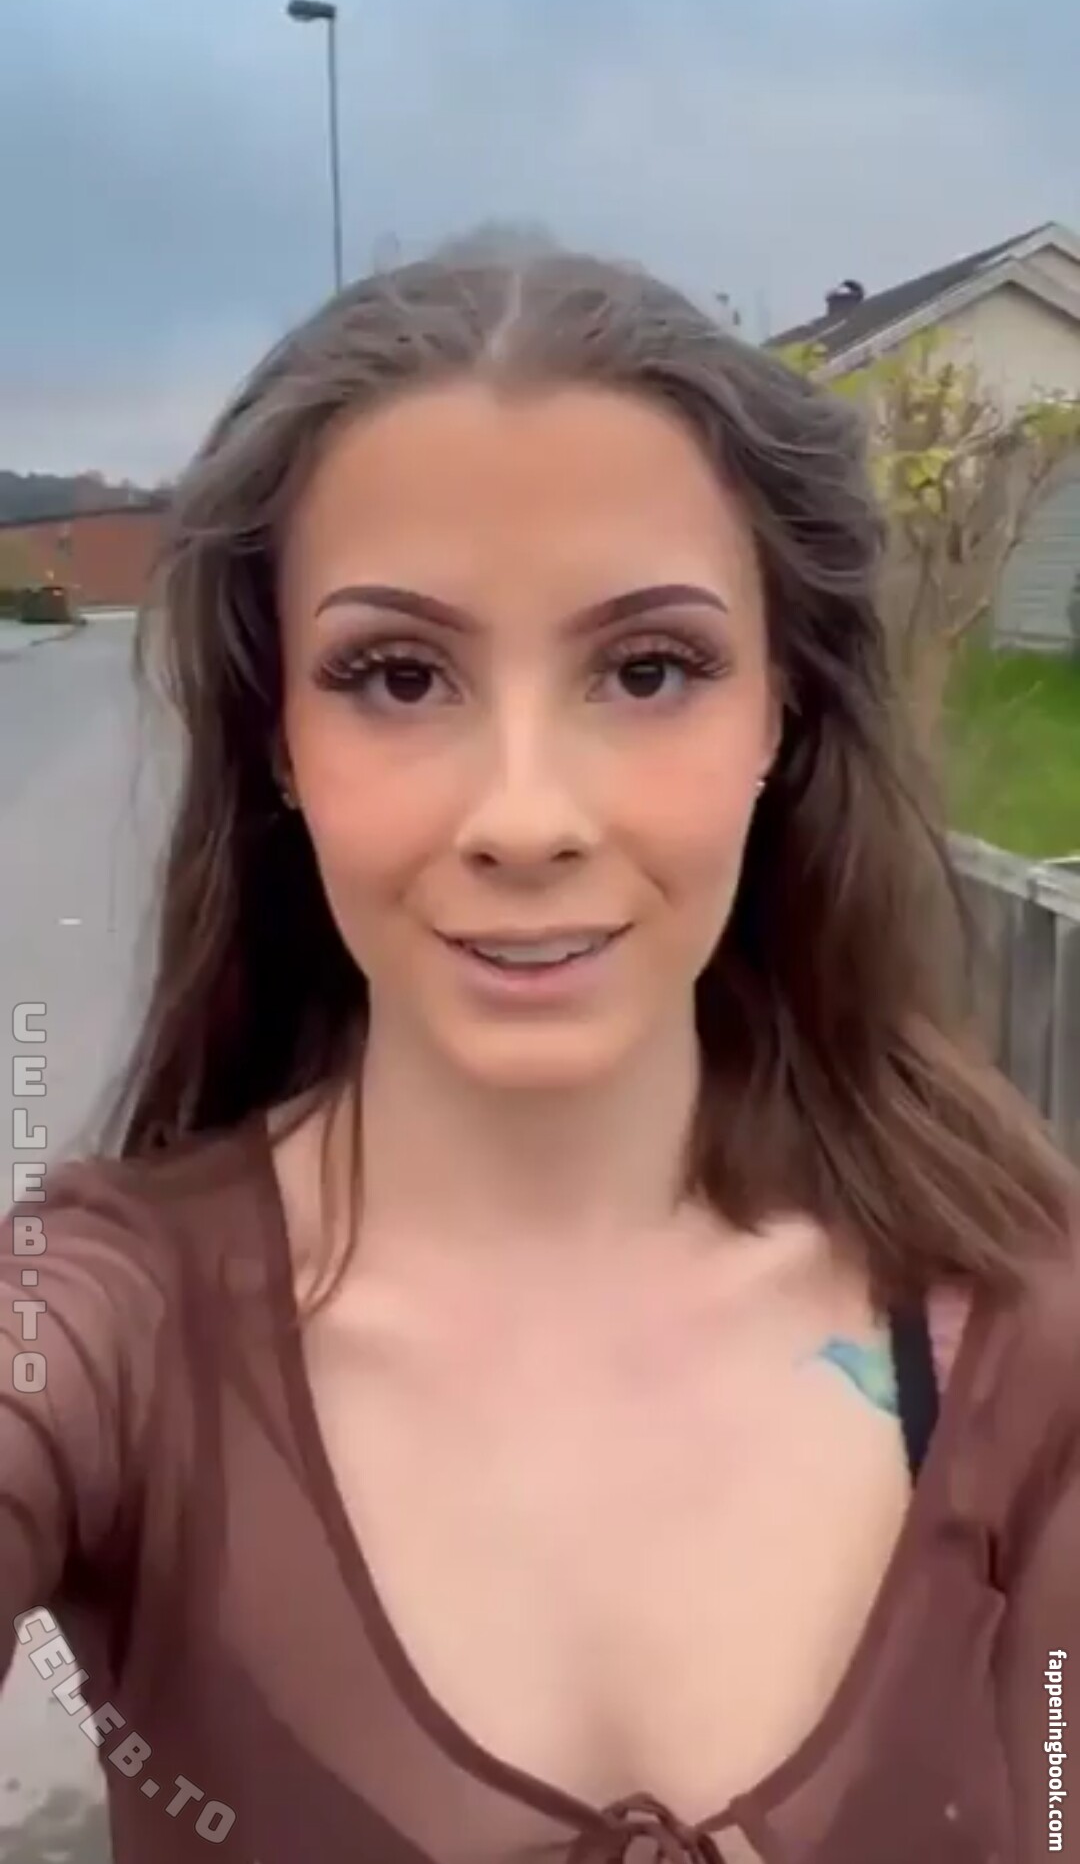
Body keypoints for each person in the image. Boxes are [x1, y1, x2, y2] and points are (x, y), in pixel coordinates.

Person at [1, 249, 1077, 1864]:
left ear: (780, 713)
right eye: (398, 676)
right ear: (277, 737)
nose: (524, 817)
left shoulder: (1018, 1326)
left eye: (648, 671)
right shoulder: (106, 1333)